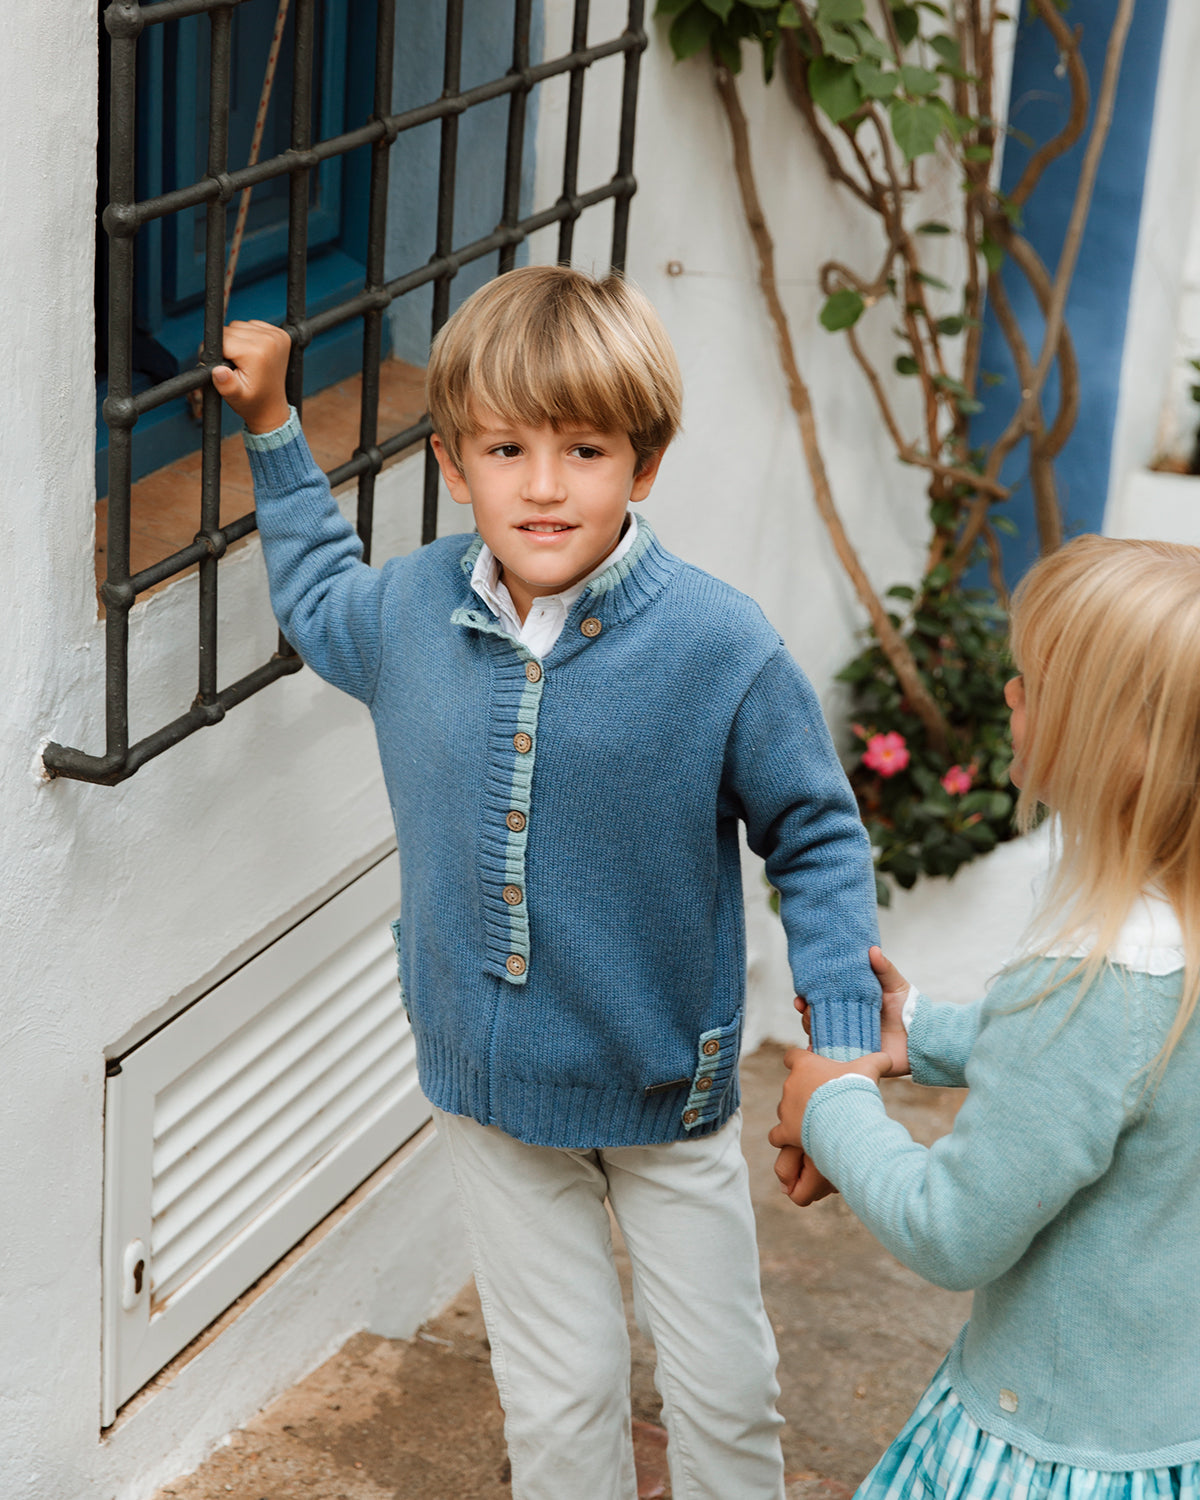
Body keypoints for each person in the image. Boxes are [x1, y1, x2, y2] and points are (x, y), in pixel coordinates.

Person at [212, 264, 882, 1500]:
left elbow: (819, 835)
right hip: (492, 1088)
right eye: (507, 448)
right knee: (560, 1395)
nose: (543, 484)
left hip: (660, 1084)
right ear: (456, 465)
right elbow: (313, 596)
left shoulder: (719, 646)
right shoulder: (410, 611)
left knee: (726, 1393)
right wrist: (272, 430)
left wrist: (835, 1038)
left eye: (584, 449)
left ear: (646, 462)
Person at [770, 534, 1200, 1498]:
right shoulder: (1175, 945)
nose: (1009, 698)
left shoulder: (1093, 977)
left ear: (1113, 746)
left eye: (1032, 685)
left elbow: (954, 1228)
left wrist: (834, 1108)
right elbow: (1112, 1082)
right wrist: (916, 1031)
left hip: (1047, 1448)